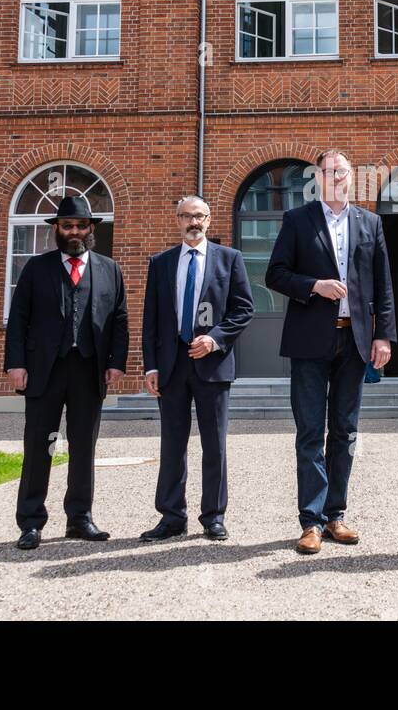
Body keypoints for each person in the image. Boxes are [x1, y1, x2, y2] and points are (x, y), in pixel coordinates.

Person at [266, 148, 395, 554]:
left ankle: (336, 515)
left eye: (343, 171)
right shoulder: (297, 220)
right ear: (317, 177)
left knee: (345, 430)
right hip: (309, 340)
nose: (337, 176)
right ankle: (311, 521)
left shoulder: (369, 222)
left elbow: (383, 285)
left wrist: (383, 336)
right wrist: (313, 286)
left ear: (350, 176)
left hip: (354, 341)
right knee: (309, 432)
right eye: (329, 171)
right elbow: (275, 274)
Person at [5, 195, 129, 551]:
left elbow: (119, 320)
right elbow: (19, 320)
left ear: (91, 229)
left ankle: (80, 517)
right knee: (38, 446)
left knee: (83, 446)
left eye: (80, 226)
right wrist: (16, 364)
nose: (74, 231)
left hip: (89, 370)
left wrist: (116, 362)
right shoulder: (36, 268)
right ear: (57, 229)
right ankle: (30, 521)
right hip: (44, 370)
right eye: (67, 226)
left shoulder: (109, 269)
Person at [139, 196, 254, 542]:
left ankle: (214, 516)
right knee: (172, 444)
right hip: (172, 365)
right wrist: (151, 367)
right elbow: (151, 321)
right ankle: (172, 516)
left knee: (214, 444)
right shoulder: (160, 263)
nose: (193, 222)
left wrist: (214, 339)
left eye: (199, 216)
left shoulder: (229, 259)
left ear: (209, 219)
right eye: (186, 216)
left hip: (213, 363)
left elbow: (244, 309)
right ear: (177, 220)